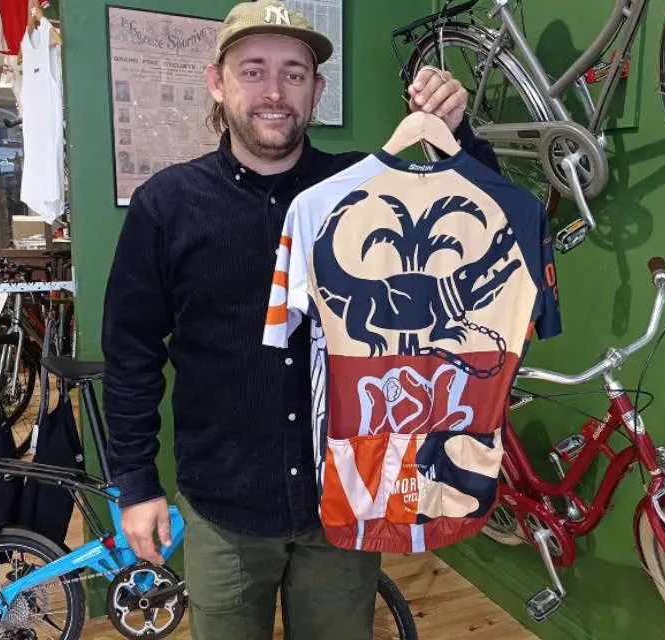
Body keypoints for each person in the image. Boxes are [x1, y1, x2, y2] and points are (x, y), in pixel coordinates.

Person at [100, 1, 501, 638]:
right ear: (217, 82)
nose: (274, 92)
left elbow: (484, 223)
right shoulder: (167, 205)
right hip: (223, 508)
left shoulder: (365, 189)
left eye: (294, 73)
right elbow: (131, 355)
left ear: (317, 90)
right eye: (253, 71)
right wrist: (136, 482)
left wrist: (460, 132)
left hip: (344, 500)